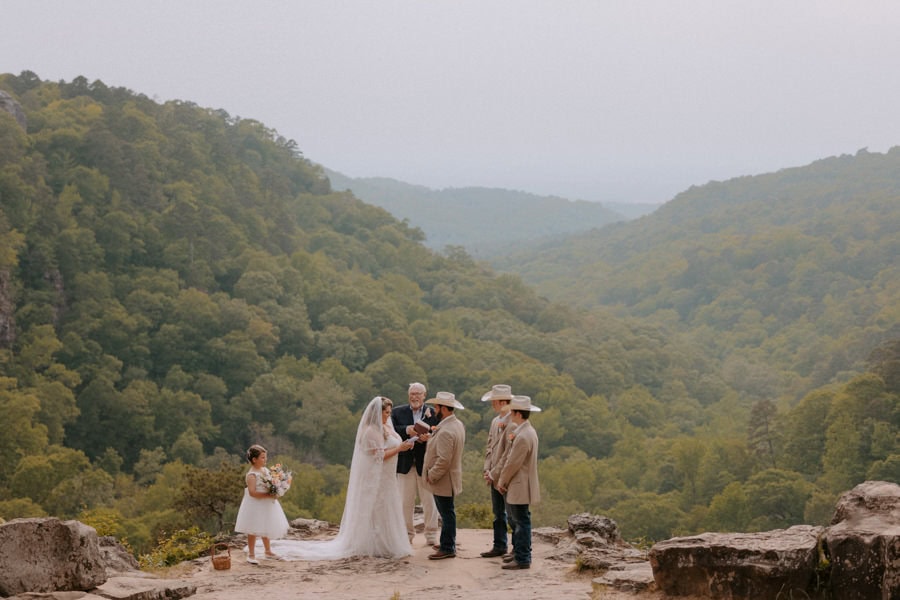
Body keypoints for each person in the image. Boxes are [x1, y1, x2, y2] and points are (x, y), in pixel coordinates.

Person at [272, 396, 415, 560]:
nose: (388, 416)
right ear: (377, 413)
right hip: (377, 478)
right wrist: (400, 449)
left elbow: (392, 443)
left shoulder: (385, 427)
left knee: (387, 507)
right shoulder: (370, 432)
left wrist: (405, 443)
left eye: (389, 413)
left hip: (388, 477)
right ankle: (375, 544)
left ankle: (388, 543)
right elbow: (379, 456)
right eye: (386, 413)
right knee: (377, 508)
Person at [391, 382, 441, 546]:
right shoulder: (397, 412)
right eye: (412, 393)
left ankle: (431, 534)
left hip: (425, 464)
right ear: (408, 395)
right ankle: (407, 535)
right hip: (405, 464)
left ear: (424, 396)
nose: (415, 397)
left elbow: (439, 433)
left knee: (429, 501)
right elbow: (391, 430)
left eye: (418, 394)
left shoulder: (434, 412)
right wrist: (408, 430)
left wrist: (429, 437)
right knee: (405, 502)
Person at [497, 395, 541, 570]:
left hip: (519, 484)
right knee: (521, 519)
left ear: (516, 413)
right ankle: (520, 553)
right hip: (524, 482)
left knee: (521, 521)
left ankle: (522, 558)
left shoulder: (522, 436)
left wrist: (502, 481)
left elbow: (512, 463)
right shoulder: (529, 431)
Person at [422, 391, 466, 560]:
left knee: (446, 513)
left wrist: (431, 475)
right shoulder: (457, 424)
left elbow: (444, 460)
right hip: (450, 477)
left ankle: (448, 547)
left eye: (437, 407)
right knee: (447, 512)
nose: (434, 410)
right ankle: (447, 541)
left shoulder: (447, 430)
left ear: (444, 408)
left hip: (444, 480)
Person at [234, 444, 290, 564]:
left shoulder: (264, 470)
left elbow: (270, 482)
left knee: (266, 525)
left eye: (265, 457)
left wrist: (277, 486)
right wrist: (269, 495)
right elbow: (252, 492)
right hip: (255, 505)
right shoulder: (252, 475)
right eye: (263, 458)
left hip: (266, 503)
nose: (265, 460)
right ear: (254, 460)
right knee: (253, 528)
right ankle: (251, 554)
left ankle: (268, 551)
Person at [479, 384, 514, 558]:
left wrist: (495, 473)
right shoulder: (495, 421)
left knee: (512, 514)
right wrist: (487, 469)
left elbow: (508, 453)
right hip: (493, 474)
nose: (492, 404)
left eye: (494, 401)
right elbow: (490, 447)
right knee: (497, 513)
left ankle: (517, 547)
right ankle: (499, 545)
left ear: (502, 402)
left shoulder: (513, 423)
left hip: (505, 476)